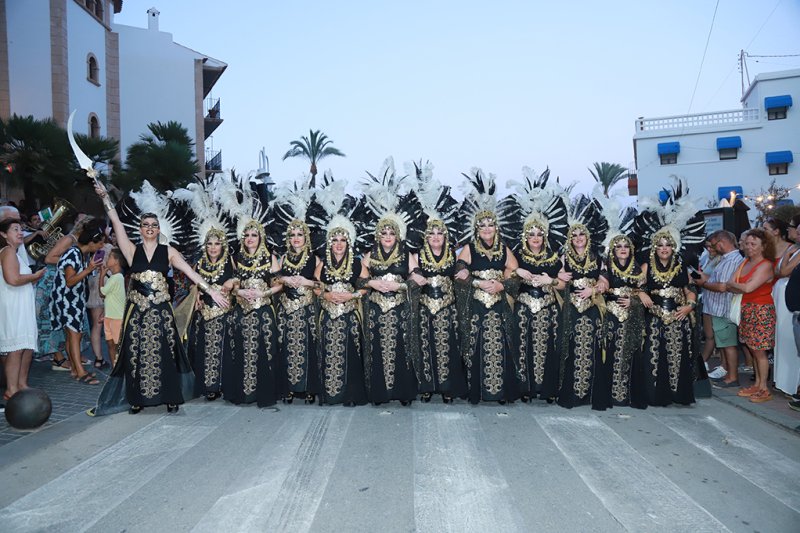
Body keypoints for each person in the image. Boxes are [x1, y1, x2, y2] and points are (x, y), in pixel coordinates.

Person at [91, 181, 229, 415]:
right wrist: (105, 198)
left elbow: (190, 272)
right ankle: (137, 399)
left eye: (154, 225)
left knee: (166, 353)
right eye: (146, 225)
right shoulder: (130, 250)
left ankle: (170, 397)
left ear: (159, 228)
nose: (150, 228)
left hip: (161, 312)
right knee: (136, 353)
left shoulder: (169, 252)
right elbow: (115, 222)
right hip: (137, 311)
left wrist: (210, 290)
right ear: (141, 228)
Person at [455, 206, 521, 404]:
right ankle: (477, 392)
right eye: (482, 225)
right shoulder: (469, 248)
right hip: (476, 305)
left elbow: (515, 273)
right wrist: (476, 281)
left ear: (496, 228)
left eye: (490, 225)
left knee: (501, 345)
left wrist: (502, 284)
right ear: (476, 228)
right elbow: (459, 271)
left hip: (499, 306)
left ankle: (500, 393)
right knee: (476, 345)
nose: (486, 228)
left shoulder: (504, 248)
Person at [632, 230, 697, 407]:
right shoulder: (647, 266)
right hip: (654, 317)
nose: (664, 248)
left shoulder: (681, 266)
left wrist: (689, 305)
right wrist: (641, 294)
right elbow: (634, 286)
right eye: (660, 245)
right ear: (655, 248)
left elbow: (690, 289)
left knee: (676, 356)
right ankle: (654, 396)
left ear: (673, 247)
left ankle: (678, 395)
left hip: (677, 317)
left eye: (667, 245)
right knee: (654, 356)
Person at [409, 218, 467, 403]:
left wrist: (465, 272)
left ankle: (447, 388)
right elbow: (409, 273)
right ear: (425, 237)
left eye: (439, 233)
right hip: (425, 308)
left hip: (448, 309)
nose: (435, 237)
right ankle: (426, 387)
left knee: (449, 346)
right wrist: (413, 277)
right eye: (431, 234)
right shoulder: (417, 255)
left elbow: (463, 270)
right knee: (425, 346)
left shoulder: (453, 255)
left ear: (445, 236)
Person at [360, 221, 418, 406]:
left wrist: (399, 285)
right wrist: (371, 283)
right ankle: (379, 393)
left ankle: (403, 393)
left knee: (402, 348)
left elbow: (417, 277)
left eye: (391, 233)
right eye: (383, 233)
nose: (387, 236)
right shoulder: (370, 255)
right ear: (378, 235)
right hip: (376, 310)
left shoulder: (405, 254)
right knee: (376, 348)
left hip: (400, 309)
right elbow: (359, 280)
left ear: (397, 236)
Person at [225, 219, 280, 407]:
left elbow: (279, 284)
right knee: (241, 350)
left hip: (263, 311)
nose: (250, 238)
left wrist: (262, 293)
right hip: (241, 311)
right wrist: (238, 291)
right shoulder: (236, 258)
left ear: (261, 237)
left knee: (265, 351)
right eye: (246, 235)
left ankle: (264, 393)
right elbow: (232, 284)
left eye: (254, 235)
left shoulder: (269, 257)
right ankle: (244, 394)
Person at [510, 219, 564, 403]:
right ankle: (524, 388)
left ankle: (547, 390)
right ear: (525, 236)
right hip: (523, 308)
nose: (535, 238)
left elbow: (564, 282)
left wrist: (552, 281)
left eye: (539, 234)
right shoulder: (517, 255)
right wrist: (517, 271)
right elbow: (504, 273)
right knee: (522, 345)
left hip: (549, 309)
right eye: (531, 234)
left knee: (550, 347)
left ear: (545, 237)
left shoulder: (553, 257)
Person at [315, 222, 368, 406]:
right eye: (335, 240)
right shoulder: (323, 264)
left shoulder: (356, 263)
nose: (339, 244)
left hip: (349, 315)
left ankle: (350, 396)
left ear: (348, 243)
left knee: (351, 354)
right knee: (328, 353)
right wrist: (326, 294)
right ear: (330, 243)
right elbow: (315, 287)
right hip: (328, 316)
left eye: (343, 240)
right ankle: (330, 395)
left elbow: (365, 288)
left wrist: (350, 295)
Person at [556, 222, 607, 408]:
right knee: (571, 348)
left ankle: (589, 394)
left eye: (582, 235)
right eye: (575, 235)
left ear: (587, 238)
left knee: (592, 348)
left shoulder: (598, 258)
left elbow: (604, 284)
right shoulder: (564, 258)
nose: (578, 238)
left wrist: (593, 290)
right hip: (571, 309)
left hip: (592, 308)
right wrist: (559, 277)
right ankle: (571, 394)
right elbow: (559, 280)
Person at [50, 218, 106, 385]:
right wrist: (89, 269)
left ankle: (75, 370)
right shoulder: (72, 253)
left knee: (72, 336)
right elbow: (70, 281)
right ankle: (80, 373)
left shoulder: (81, 254)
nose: (102, 246)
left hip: (73, 299)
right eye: (100, 243)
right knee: (74, 335)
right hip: (67, 300)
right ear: (91, 242)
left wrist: (91, 269)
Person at [727, 228, 776, 403]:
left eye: (753, 244)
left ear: (763, 246)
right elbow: (730, 284)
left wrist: (737, 285)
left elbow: (746, 287)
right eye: (747, 243)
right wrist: (738, 285)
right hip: (747, 309)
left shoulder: (766, 265)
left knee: (760, 351)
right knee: (752, 349)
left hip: (761, 310)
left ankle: (764, 388)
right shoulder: (745, 262)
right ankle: (757, 384)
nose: (749, 247)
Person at [275, 219, 321, 404]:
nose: (296, 238)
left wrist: (305, 282)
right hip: (285, 309)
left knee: (308, 346)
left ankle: (308, 388)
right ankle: (289, 389)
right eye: (292, 235)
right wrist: (285, 280)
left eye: (299, 235)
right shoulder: (283, 258)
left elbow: (321, 284)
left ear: (306, 238)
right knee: (285, 347)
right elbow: (274, 280)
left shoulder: (315, 258)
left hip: (306, 310)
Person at [0, 218, 45, 400]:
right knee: (16, 348)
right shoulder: (8, 251)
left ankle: (21, 385)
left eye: (20, 229)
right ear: (3, 234)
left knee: (25, 346)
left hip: (20, 304)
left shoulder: (16, 252)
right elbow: (13, 279)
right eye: (15, 229)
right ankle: (11, 390)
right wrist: (35, 276)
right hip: (13, 305)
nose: (20, 232)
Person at [599, 234, 646, 408]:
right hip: (611, 317)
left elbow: (644, 293)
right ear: (613, 250)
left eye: (626, 246)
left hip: (631, 319)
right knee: (611, 353)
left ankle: (626, 396)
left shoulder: (638, 270)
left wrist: (633, 300)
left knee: (630, 354)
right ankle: (610, 395)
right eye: (618, 246)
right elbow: (602, 285)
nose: (623, 249)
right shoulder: (607, 268)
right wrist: (600, 286)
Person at [694, 230, 745, 388]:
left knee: (728, 345)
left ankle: (732, 377)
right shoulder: (725, 259)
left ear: (722, 242)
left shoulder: (732, 260)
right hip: (716, 307)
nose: (713, 249)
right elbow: (717, 280)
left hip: (723, 308)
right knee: (724, 344)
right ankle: (728, 374)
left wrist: (703, 284)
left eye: (714, 245)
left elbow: (723, 287)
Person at [189, 228, 234, 402]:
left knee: (222, 350)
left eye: (217, 244)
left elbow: (238, 280)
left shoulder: (229, 261)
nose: (213, 248)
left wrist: (233, 282)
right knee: (203, 349)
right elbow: (192, 284)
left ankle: (221, 385)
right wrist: (196, 294)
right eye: (209, 244)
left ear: (222, 246)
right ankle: (207, 387)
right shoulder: (199, 264)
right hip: (204, 315)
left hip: (223, 314)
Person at [768, 217, 800, 398]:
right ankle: (782, 381)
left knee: (790, 341)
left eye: (793, 228)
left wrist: (787, 256)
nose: (791, 231)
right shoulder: (794, 249)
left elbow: (784, 271)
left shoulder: (794, 251)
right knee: (781, 339)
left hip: (791, 303)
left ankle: (791, 384)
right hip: (782, 298)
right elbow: (779, 272)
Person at [98, 248, 126, 368]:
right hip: (110, 317)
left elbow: (102, 293)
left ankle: (120, 369)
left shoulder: (117, 278)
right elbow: (110, 297)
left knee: (116, 345)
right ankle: (115, 369)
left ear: (116, 261)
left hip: (116, 318)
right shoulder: (116, 277)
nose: (107, 259)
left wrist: (102, 276)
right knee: (110, 344)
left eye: (109, 257)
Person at [698, 239, 721, 371]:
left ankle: (723, 367)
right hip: (707, 300)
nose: (709, 250)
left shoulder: (722, 260)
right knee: (709, 335)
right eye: (707, 247)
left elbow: (717, 281)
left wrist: (703, 279)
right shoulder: (709, 259)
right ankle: (702, 362)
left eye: (712, 247)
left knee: (718, 338)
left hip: (717, 302)